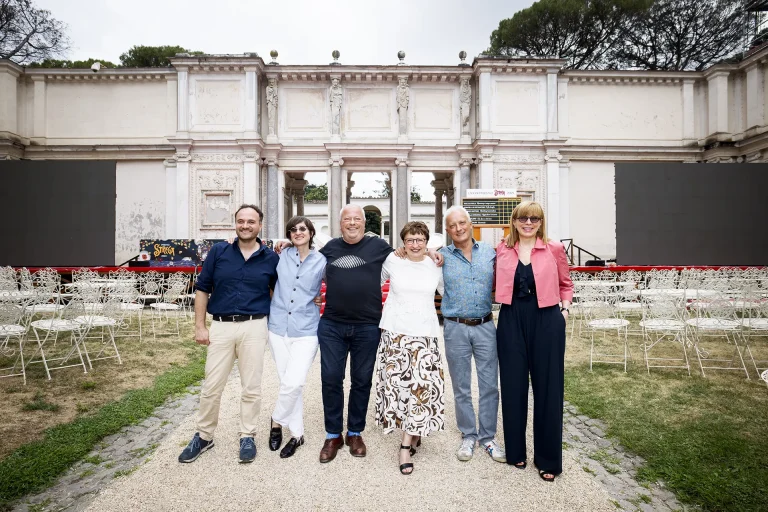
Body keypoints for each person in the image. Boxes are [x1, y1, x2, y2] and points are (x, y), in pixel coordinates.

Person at [316, 204, 443, 463]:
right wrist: (280, 245)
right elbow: (305, 258)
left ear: (365, 223)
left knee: (362, 380)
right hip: (332, 324)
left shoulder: (382, 249)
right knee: (331, 379)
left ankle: (354, 432)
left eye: (357, 219)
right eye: (347, 219)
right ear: (340, 224)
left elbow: (413, 249)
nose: (352, 223)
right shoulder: (328, 248)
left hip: (367, 325)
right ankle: (332, 434)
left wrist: (430, 250)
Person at [179, 204, 278, 464]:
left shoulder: (271, 258)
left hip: (254, 326)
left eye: (251, 222)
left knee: (251, 388)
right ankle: (204, 436)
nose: (245, 225)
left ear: (260, 225)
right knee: (212, 386)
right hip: (221, 326)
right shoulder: (219, 251)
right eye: (241, 221)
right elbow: (202, 288)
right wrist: (200, 326)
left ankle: (248, 435)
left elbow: (277, 292)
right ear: (235, 223)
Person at [495, 201, 573, 482]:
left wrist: (565, 310)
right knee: (513, 387)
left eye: (535, 218)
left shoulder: (554, 249)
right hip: (511, 319)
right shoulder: (503, 248)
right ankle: (516, 452)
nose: (528, 223)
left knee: (548, 389)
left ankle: (548, 459)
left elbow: (566, 283)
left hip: (547, 319)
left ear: (541, 222)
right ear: (514, 221)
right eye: (523, 218)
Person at [375, 221, 445, 475]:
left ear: (427, 242)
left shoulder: (436, 264)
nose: (415, 244)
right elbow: (371, 279)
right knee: (400, 388)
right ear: (403, 242)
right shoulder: (392, 261)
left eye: (420, 240)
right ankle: (412, 433)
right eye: (410, 240)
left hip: (425, 334)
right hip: (395, 333)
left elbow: (448, 291)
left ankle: (405, 444)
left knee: (422, 388)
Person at [439, 206, 506, 463]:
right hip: (455, 327)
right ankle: (468, 435)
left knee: (490, 385)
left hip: (486, 325)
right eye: (453, 225)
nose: (458, 228)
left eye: (462, 223)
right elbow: (412, 254)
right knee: (461, 386)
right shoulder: (441, 256)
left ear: (470, 223)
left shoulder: (490, 252)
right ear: (448, 230)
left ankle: (487, 437)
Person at [267, 216, 326, 458]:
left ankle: (276, 421)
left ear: (311, 233)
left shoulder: (322, 260)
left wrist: (324, 298)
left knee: (295, 382)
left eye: (302, 229)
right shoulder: (281, 254)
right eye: (293, 229)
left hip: (307, 329)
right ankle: (297, 435)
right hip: (278, 326)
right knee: (287, 383)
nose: (297, 232)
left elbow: (338, 284)